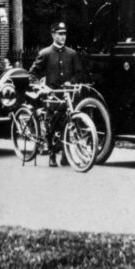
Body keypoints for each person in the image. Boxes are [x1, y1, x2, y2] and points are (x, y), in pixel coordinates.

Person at [29, 21, 85, 166]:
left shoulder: (72, 54)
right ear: (53, 34)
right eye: (60, 34)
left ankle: (66, 155)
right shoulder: (45, 53)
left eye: (64, 34)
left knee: (67, 123)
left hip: (67, 95)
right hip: (51, 95)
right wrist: (40, 87)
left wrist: (71, 82)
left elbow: (79, 73)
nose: (63, 37)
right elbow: (32, 74)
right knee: (51, 126)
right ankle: (52, 154)